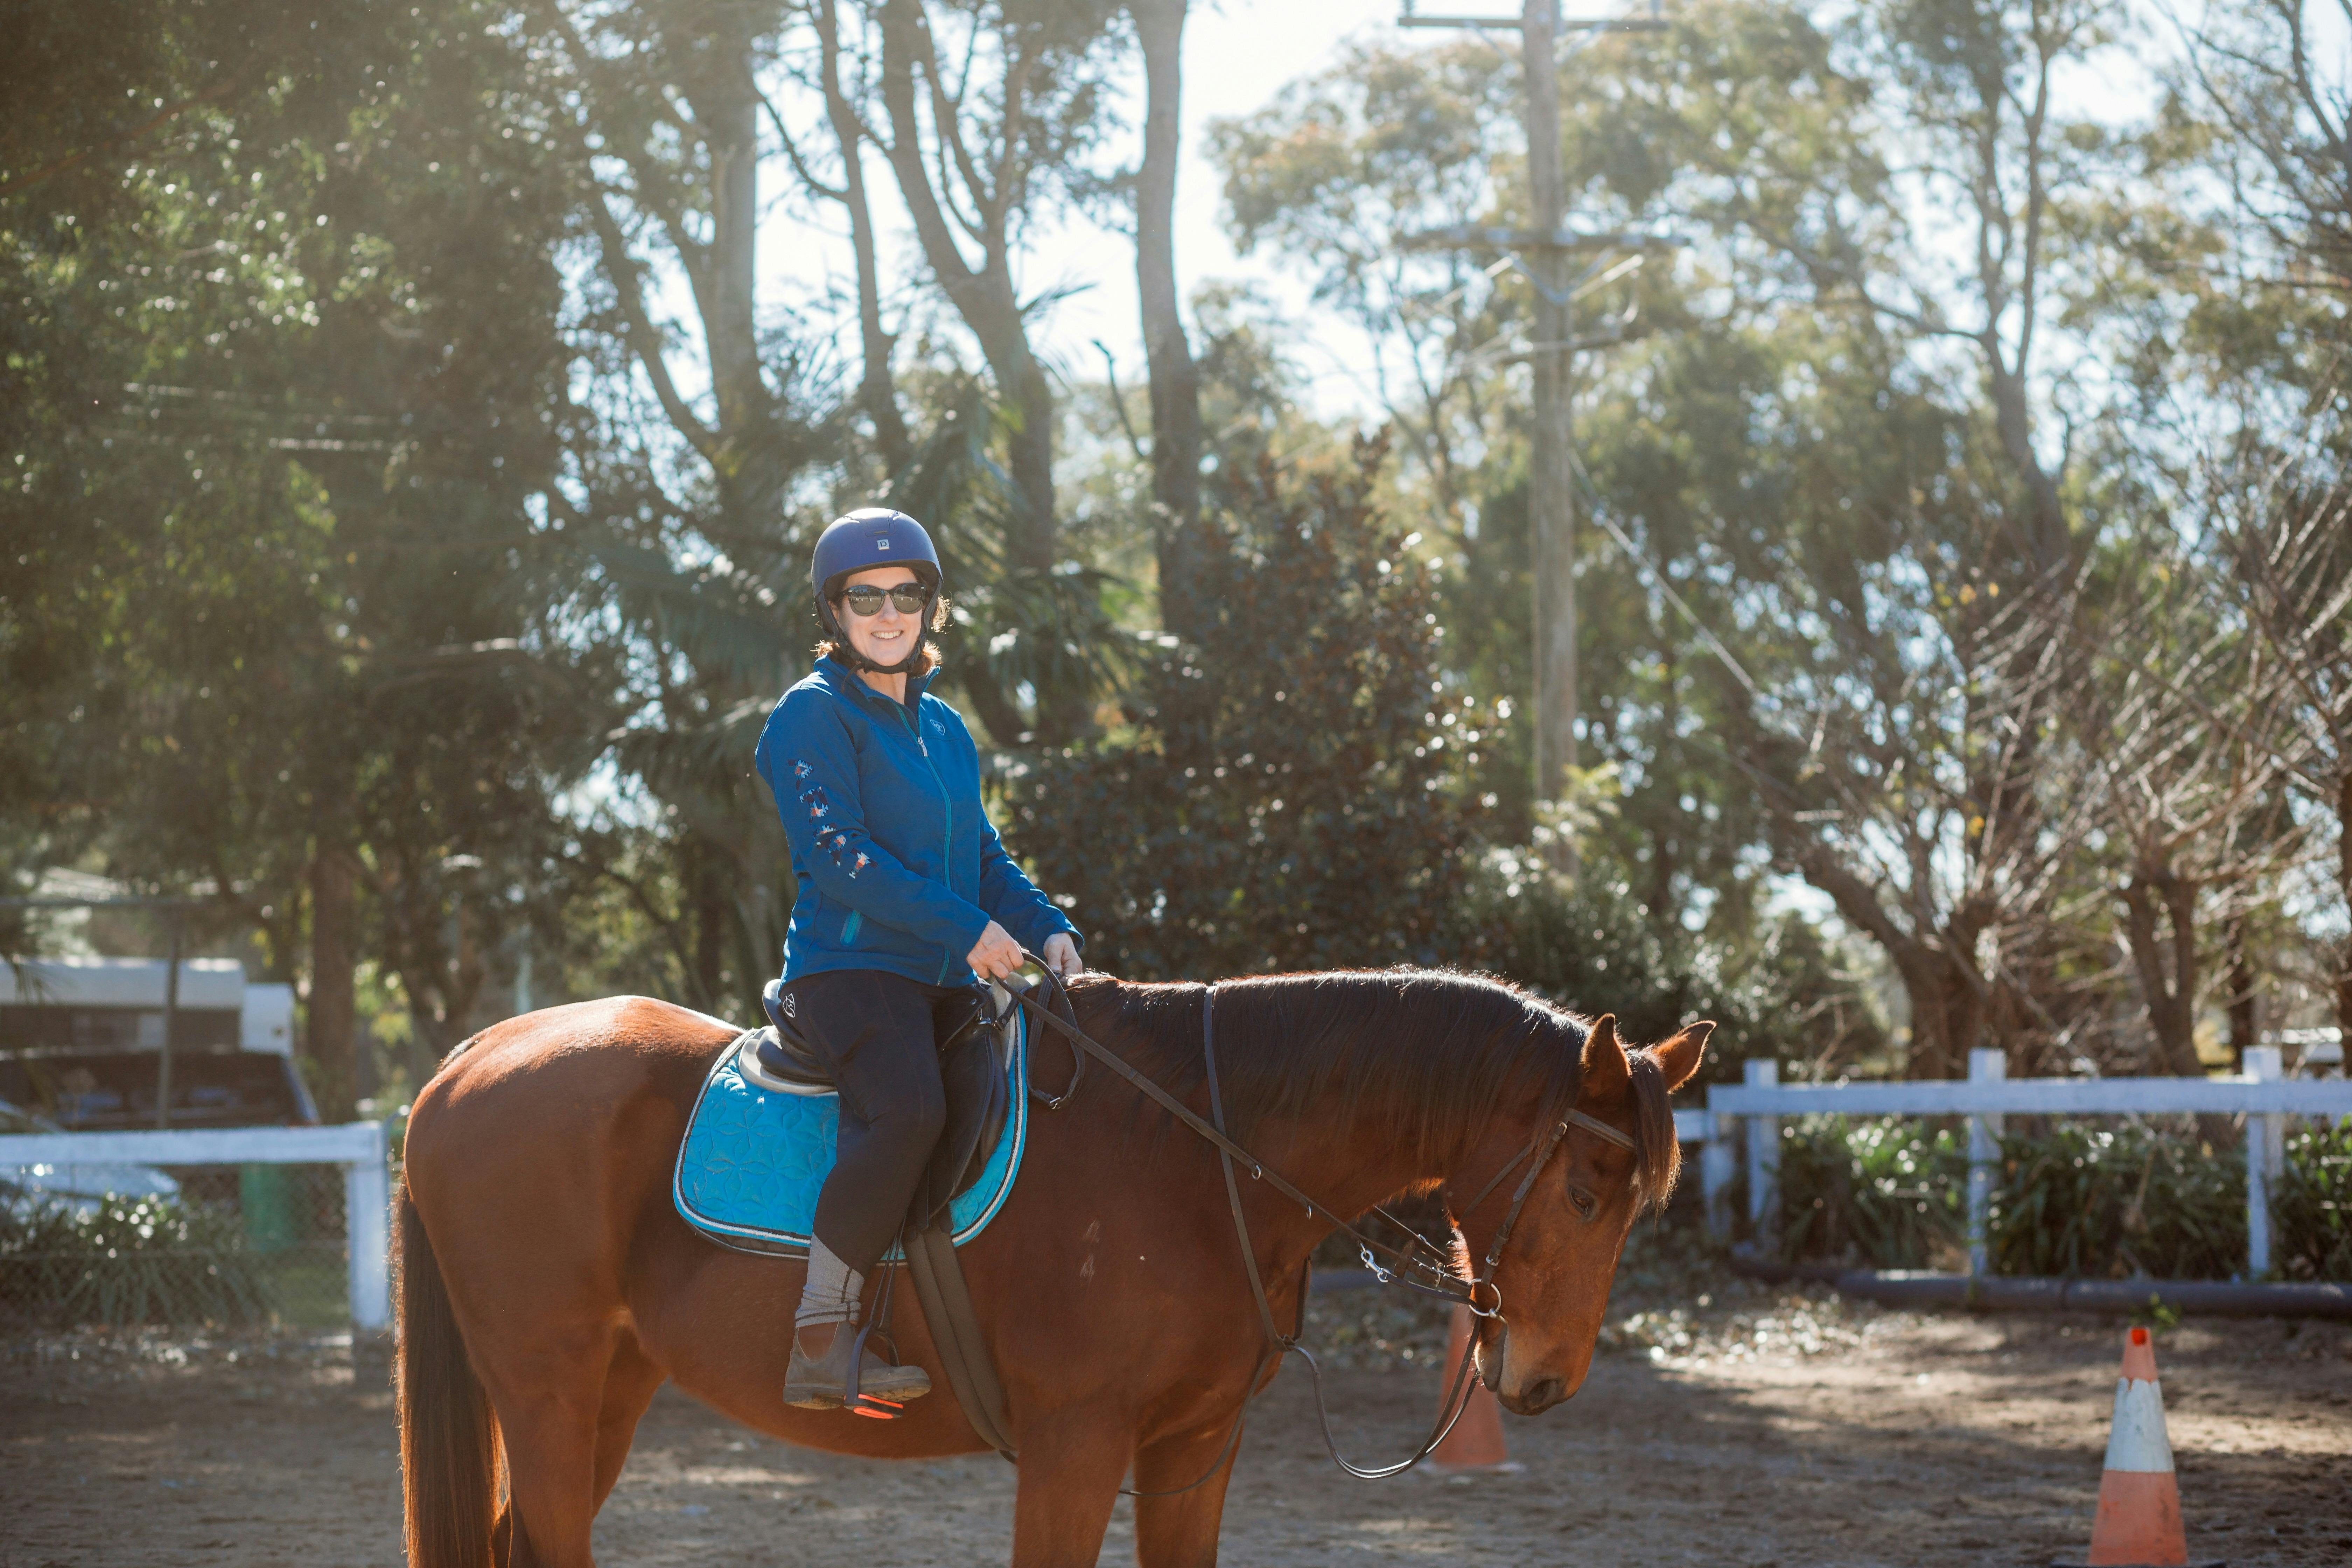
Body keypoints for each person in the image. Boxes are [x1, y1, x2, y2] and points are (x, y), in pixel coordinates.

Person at [754, 506, 1084, 1411]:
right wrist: (966, 929)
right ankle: (821, 1335)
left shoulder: (944, 729)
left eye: (906, 594)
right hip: (848, 976)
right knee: (910, 1110)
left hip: (942, 979)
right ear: (835, 612)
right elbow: (840, 857)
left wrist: (1048, 929)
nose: (888, 613)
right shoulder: (810, 715)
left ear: (930, 607)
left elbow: (982, 858)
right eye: (865, 597)